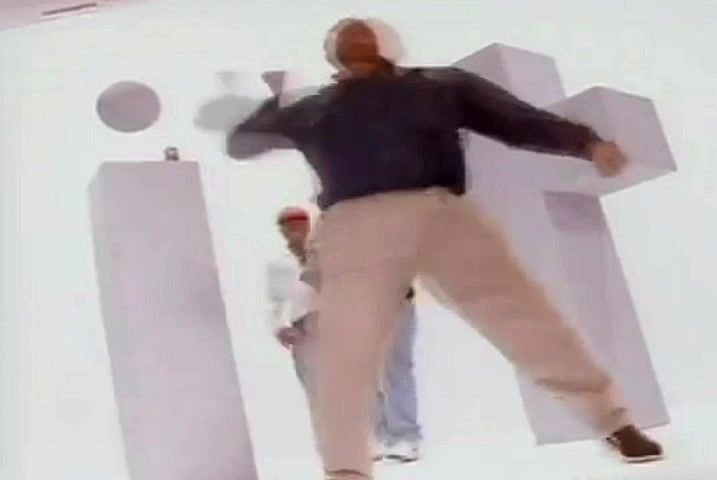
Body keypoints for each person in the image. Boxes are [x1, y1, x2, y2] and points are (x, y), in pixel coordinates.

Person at [228, 17, 664, 480]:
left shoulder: (439, 85)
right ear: (331, 54)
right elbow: (242, 144)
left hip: (440, 212)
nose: (356, 42)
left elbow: (519, 121)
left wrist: (588, 144)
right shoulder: (313, 106)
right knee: (345, 351)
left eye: (364, 35)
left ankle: (613, 422)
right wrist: (279, 101)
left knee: (527, 318)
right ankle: (345, 467)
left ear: (385, 43)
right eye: (345, 39)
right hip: (354, 226)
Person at [267, 206, 423, 463]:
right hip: (307, 329)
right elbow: (276, 302)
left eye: (299, 224)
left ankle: (398, 437)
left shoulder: (333, 251)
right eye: (288, 226)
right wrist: (281, 327)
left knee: (382, 375)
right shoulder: (279, 265)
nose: (295, 231)